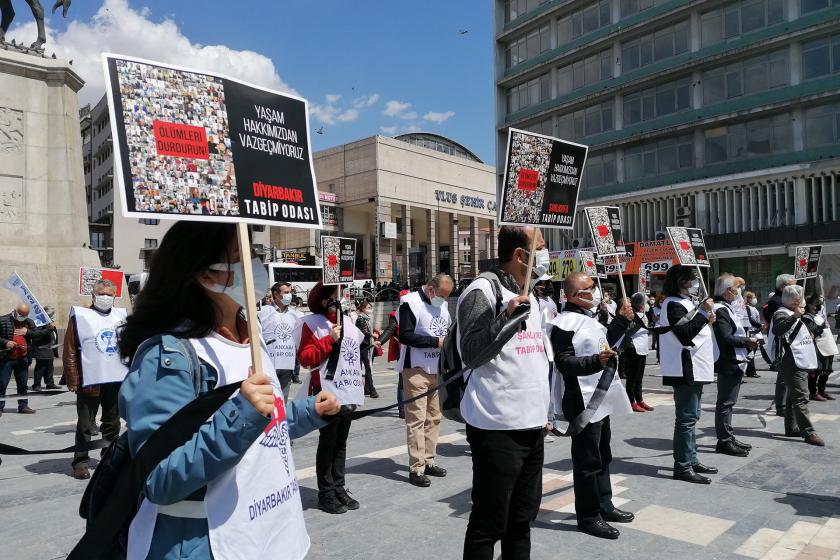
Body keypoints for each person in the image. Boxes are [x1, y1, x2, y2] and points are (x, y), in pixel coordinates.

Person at [117, 222, 340, 559]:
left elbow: (265, 425)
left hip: (269, 531)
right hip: (204, 542)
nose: (255, 268)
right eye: (241, 257)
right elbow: (160, 477)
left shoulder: (251, 332)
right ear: (205, 276)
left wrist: (309, 411)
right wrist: (244, 413)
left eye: (253, 255)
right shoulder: (171, 354)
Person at [458, 226, 551, 560]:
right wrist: (506, 317)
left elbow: (538, 359)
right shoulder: (483, 290)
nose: (545, 254)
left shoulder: (535, 297)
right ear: (519, 255)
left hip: (532, 424)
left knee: (522, 519)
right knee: (489, 523)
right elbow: (471, 353)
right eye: (540, 247)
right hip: (496, 427)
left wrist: (546, 412)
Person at [551, 272, 636, 540]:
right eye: (589, 288)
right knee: (587, 460)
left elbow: (605, 344)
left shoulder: (591, 319)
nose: (596, 292)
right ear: (574, 294)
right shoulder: (562, 324)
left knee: (603, 453)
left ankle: (605, 503)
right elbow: (563, 362)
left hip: (601, 393)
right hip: (581, 397)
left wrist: (622, 321)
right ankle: (588, 516)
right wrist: (593, 362)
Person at [298, 282, 366, 515]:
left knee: (341, 442)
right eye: (336, 295)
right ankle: (326, 492)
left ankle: (339, 486)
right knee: (328, 441)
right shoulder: (312, 323)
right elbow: (305, 358)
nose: (341, 299)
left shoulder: (347, 320)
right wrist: (329, 340)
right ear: (325, 300)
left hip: (346, 390)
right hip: (326, 391)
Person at [659, 265, 718, 484]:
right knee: (686, 418)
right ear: (680, 281)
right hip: (684, 368)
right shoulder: (673, 303)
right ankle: (682, 465)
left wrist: (704, 316)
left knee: (692, 416)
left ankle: (691, 459)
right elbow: (684, 334)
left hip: (696, 366)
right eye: (691, 278)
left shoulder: (685, 302)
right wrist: (703, 313)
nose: (695, 282)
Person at [64, 279, 129, 479]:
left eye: (110, 295)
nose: (106, 298)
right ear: (93, 296)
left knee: (112, 423)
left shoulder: (121, 316)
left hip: (115, 380)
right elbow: (70, 349)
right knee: (85, 425)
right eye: (102, 294)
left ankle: (109, 457)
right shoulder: (81, 316)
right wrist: (73, 378)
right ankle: (80, 462)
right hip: (90, 380)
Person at [397, 273, 454, 487]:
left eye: (446, 297)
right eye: (441, 295)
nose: (443, 300)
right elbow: (406, 336)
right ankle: (416, 468)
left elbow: (447, 330)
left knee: (434, 418)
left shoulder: (442, 305)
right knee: (416, 420)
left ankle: (429, 460)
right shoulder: (410, 303)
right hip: (416, 369)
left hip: (436, 369)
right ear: (430, 289)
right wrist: (435, 342)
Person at [768, 285, 824, 446]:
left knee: (794, 396)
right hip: (791, 361)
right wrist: (795, 316)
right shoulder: (781, 313)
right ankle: (809, 432)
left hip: (798, 359)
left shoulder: (794, 312)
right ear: (796, 300)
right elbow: (778, 330)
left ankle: (792, 427)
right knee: (801, 397)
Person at [711, 274, 758, 458]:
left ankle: (728, 437)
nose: (738, 292)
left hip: (733, 360)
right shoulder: (720, 309)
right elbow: (726, 338)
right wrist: (748, 341)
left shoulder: (725, 307)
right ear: (727, 291)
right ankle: (723, 441)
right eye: (735, 288)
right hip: (728, 360)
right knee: (725, 403)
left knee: (729, 403)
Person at [0, 303, 50, 416]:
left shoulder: (29, 322)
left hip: (22, 358)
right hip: (6, 359)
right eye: (21, 315)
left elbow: (38, 333)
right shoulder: (3, 320)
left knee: (22, 384)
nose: (23, 317)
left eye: (25, 315)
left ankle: (23, 406)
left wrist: (28, 332)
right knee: (2, 384)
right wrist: (5, 342)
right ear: (15, 311)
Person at [258, 281, 303, 401]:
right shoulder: (263, 312)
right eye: (286, 292)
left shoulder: (296, 315)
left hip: (287, 365)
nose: (290, 295)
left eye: (290, 292)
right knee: (267, 400)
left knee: (282, 401)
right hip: (268, 365)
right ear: (276, 295)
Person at [764, 274, 797, 416]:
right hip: (781, 345)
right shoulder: (777, 301)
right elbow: (779, 325)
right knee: (783, 377)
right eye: (792, 285)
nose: (795, 288)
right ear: (783, 286)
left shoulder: (786, 299)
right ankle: (781, 406)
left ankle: (784, 404)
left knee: (785, 377)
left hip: (791, 343)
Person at [801, 294, 837, 402]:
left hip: (827, 346)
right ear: (808, 305)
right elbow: (815, 331)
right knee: (816, 371)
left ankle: (822, 390)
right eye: (814, 304)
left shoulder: (819, 316)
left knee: (826, 370)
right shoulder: (806, 318)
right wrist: (822, 326)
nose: (816, 306)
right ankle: (812, 392)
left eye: (817, 304)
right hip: (816, 347)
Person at [622, 292, 654, 412]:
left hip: (643, 347)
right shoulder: (631, 314)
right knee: (632, 377)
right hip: (633, 347)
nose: (646, 304)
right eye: (644, 302)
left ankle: (639, 399)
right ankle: (630, 401)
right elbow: (628, 331)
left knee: (639, 377)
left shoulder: (643, 313)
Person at [355, 299, 379, 399]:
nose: (370, 309)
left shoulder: (368, 318)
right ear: (363, 309)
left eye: (371, 307)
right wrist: (372, 334)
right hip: (363, 347)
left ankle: (367, 389)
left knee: (367, 368)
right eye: (368, 308)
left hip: (368, 346)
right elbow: (363, 331)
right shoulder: (360, 318)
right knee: (366, 368)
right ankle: (371, 389)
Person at [31, 307, 59, 390]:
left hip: (50, 349)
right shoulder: (39, 322)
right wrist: (49, 329)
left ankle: (50, 383)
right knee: (40, 368)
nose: (53, 316)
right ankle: (36, 385)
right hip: (41, 349)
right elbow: (36, 334)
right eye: (51, 314)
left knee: (50, 368)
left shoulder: (51, 322)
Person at [743, 291, 763, 378]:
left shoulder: (752, 308)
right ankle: (751, 371)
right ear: (748, 299)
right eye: (753, 297)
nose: (755, 299)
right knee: (751, 352)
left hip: (756, 331)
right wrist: (760, 325)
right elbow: (750, 320)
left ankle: (750, 370)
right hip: (751, 332)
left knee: (752, 352)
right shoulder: (747, 307)